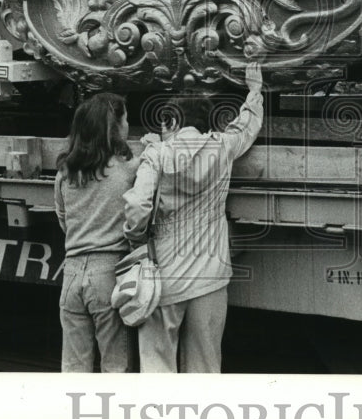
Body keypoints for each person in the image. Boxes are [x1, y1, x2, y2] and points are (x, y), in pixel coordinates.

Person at [124, 62, 264, 372]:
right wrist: (254, 90)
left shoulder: (157, 154)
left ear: (173, 121)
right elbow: (245, 127)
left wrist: (135, 238)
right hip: (211, 277)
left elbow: (136, 207)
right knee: (206, 365)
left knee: (157, 366)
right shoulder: (222, 148)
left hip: (165, 277)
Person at [54, 92, 136, 373]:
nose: (128, 125)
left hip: (72, 274)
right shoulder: (127, 170)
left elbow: (63, 219)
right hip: (108, 274)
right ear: (115, 127)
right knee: (116, 368)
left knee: (74, 369)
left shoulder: (65, 173)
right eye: (125, 119)